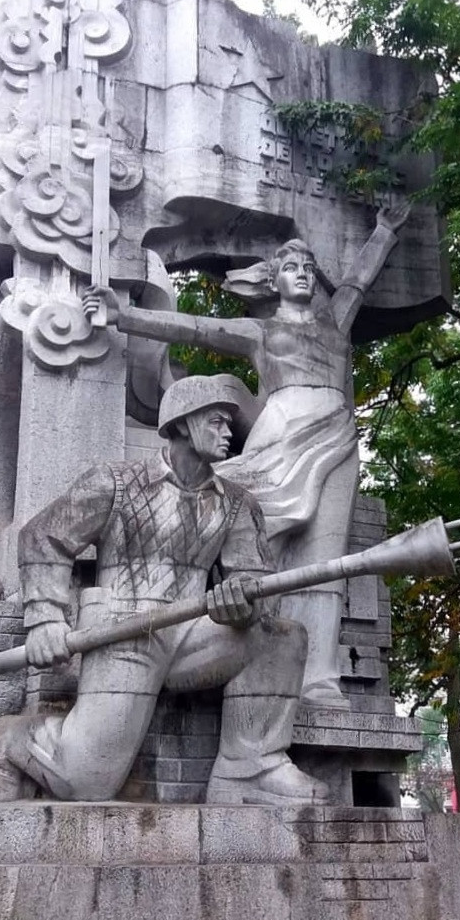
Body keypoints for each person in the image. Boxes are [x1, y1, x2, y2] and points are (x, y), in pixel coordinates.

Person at [83, 204, 408, 705]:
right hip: (279, 437)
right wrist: (123, 315)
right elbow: (193, 328)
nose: (301, 276)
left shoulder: (335, 322)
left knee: (328, 558)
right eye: (289, 270)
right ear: (272, 282)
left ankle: (319, 677)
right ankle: (245, 650)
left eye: (306, 269)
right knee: (256, 543)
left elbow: (358, 283)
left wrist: (384, 232)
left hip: (337, 437)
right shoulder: (261, 332)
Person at [0, 375, 327, 807]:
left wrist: (241, 605)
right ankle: (7, 743)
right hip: (123, 630)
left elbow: (254, 582)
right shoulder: (114, 481)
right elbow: (43, 538)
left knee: (281, 638)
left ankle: (250, 769)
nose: (230, 433)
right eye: (217, 422)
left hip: (193, 631)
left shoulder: (237, 503)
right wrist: (45, 619)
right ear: (184, 423)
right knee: (86, 784)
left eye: (229, 424)